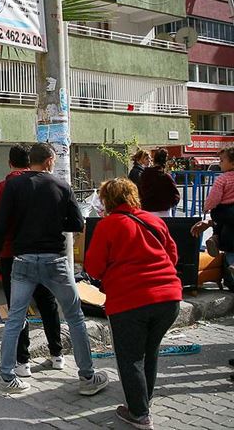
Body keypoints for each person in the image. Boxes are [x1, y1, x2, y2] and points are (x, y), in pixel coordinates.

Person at [0, 143, 108, 396]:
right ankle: (87, 377)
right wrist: (53, 220)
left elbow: (0, 225)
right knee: (74, 316)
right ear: (49, 161)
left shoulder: (13, 185)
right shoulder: (61, 186)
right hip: (55, 261)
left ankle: (6, 377)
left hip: (22, 260)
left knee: (15, 318)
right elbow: (77, 222)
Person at [84, 178, 182, 430]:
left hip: (129, 301)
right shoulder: (154, 221)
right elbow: (172, 256)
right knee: (150, 351)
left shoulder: (108, 225)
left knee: (131, 357)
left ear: (107, 200)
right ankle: (143, 401)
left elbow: (93, 267)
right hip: (168, 299)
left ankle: (139, 414)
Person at [0, 144, 64, 375]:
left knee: (17, 308)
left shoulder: (6, 186)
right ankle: (57, 354)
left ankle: (23, 362)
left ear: (10, 163)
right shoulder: (46, 183)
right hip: (44, 252)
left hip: (13, 254)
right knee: (47, 303)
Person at [191, 146, 234, 292]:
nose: (219, 163)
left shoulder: (222, 179)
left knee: (217, 215)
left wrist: (207, 208)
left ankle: (216, 238)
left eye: (222, 160)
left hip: (226, 211)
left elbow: (214, 197)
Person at [138, 148, 180, 217]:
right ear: (165, 161)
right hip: (163, 212)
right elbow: (175, 196)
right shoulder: (166, 177)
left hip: (147, 211)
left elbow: (139, 192)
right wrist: (168, 204)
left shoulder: (144, 175)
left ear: (154, 160)